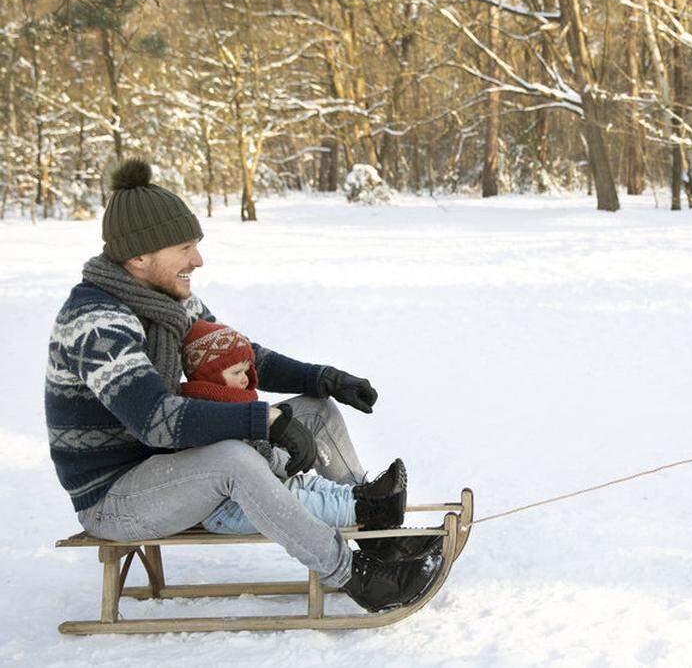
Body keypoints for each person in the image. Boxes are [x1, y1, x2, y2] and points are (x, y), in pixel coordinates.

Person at [45, 158, 440, 612]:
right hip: (115, 496)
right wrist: (263, 419)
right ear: (138, 257)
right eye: (185, 247)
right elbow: (155, 420)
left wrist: (322, 378)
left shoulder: (167, 301)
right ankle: (358, 578)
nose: (198, 259)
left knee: (316, 410)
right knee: (232, 461)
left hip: (169, 465)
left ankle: (377, 534)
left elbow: (234, 355)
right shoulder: (96, 322)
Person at [180, 320, 440, 562]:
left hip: (248, 489)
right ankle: (368, 514)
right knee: (300, 498)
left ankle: (366, 501)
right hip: (228, 508)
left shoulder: (231, 399)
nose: (246, 378)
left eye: (247, 370)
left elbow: (258, 456)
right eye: (237, 372)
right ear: (211, 377)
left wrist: (324, 379)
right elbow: (244, 462)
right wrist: (285, 457)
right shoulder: (205, 414)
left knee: (309, 485)